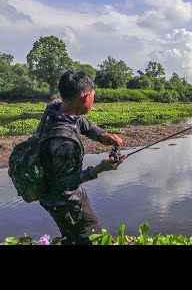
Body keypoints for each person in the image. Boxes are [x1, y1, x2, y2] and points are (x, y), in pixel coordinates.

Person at [38, 70, 127, 245]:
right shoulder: (65, 143)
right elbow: (63, 182)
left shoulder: (55, 107)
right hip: (64, 201)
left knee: (72, 237)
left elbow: (80, 120)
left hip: (50, 194)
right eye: (93, 96)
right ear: (85, 97)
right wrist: (99, 169)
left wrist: (101, 134)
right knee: (92, 237)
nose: (94, 101)